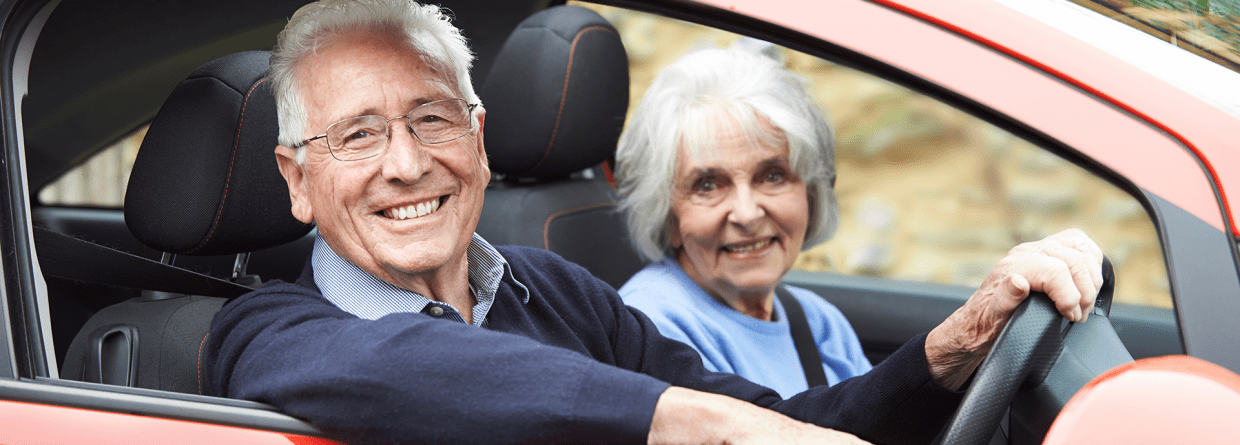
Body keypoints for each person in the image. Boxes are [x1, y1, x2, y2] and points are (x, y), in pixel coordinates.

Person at [201, 0, 1106, 444]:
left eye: (432, 119)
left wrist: (953, 346)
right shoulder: (266, 330)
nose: (406, 162)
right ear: (298, 180)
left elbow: (783, 419)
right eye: (357, 136)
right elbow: (404, 369)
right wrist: (694, 422)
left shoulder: (552, 287)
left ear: (477, 141)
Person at [616, 46, 871, 398]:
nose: (748, 214)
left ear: (810, 193)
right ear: (667, 216)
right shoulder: (651, 331)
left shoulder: (818, 321)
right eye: (708, 185)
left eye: (772, 176)